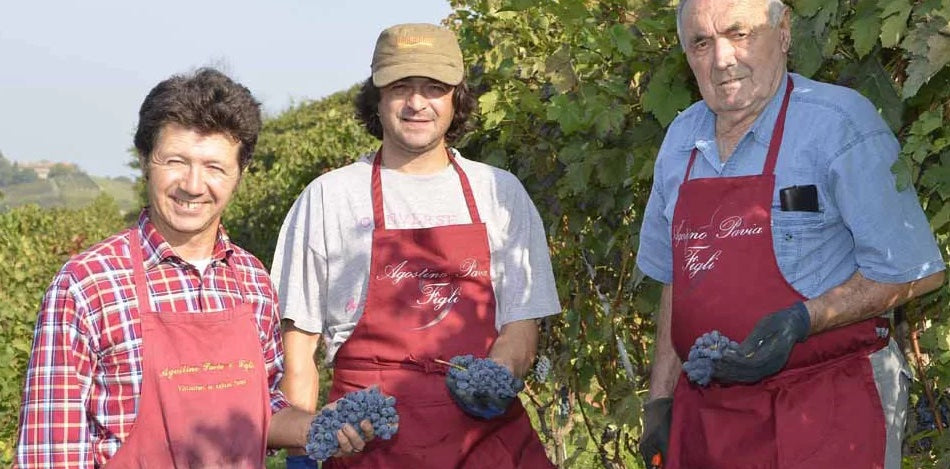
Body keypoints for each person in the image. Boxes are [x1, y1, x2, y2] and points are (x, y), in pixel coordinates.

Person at [635, 0, 946, 468]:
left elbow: (916, 271)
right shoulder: (681, 140)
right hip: (713, 418)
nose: (722, 59)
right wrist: (660, 400)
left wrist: (803, 320)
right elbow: (676, 281)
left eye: (739, 34)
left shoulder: (839, 124)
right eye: (701, 43)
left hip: (828, 404)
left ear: (783, 32)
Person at [272, 23, 561, 468]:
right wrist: (302, 454)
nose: (417, 103)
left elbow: (521, 326)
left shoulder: (499, 193)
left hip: (486, 446)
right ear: (377, 98)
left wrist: (497, 377)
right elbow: (299, 348)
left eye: (434, 88)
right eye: (400, 87)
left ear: (457, 97)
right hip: (369, 446)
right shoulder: (330, 198)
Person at [14, 68, 333, 468]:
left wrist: (319, 427)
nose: (193, 185)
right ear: (146, 160)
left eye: (214, 167)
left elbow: (260, 408)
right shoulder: (87, 285)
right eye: (176, 161)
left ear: (241, 173)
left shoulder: (253, 281)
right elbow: (49, 453)